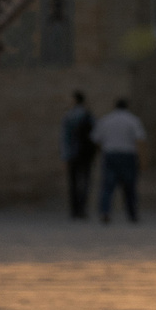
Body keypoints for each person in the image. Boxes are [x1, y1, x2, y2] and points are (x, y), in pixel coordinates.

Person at [93, 96, 146, 224]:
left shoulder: (106, 120)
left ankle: (105, 212)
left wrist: (102, 152)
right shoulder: (133, 120)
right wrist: (142, 159)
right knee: (129, 187)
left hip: (110, 154)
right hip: (128, 155)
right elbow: (140, 140)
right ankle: (132, 214)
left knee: (107, 187)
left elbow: (96, 139)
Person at [61, 91, 97, 220]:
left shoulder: (69, 116)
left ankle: (74, 209)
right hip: (85, 154)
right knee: (85, 182)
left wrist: (65, 156)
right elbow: (95, 135)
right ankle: (83, 208)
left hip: (73, 154)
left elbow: (65, 137)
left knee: (73, 183)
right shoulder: (88, 115)